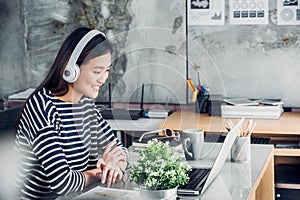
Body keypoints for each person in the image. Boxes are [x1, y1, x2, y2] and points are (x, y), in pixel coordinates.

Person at [14, 27, 128, 199]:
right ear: (70, 68)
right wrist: (100, 171)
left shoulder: (85, 105)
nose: (103, 79)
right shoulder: (41, 107)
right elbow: (63, 183)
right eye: (97, 71)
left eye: (107, 71)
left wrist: (116, 167)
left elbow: (119, 149)